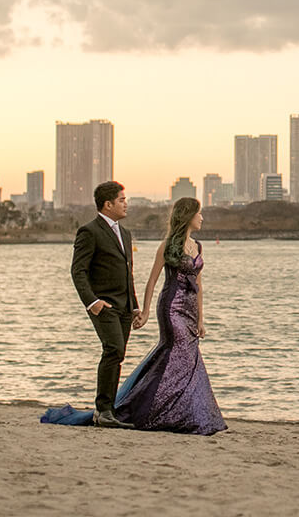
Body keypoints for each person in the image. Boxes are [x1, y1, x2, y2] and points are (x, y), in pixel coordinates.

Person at [112, 197, 227, 434]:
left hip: (190, 309)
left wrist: (201, 320)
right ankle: (152, 410)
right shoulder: (166, 246)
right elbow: (152, 280)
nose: (202, 218)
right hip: (171, 307)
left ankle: (184, 411)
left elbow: (200, 286)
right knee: (177, 353)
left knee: (187, 358)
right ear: (188, 216)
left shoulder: (199, 246)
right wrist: (144, 312)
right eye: (199, 214)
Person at [70, 180, 140, 429]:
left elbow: (127, 272)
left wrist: (134, 306)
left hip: (124, 306)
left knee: (118, 354)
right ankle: (103, 410)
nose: (125, 204)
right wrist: (92, 302)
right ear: (108, 204)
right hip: (104, 304)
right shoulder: (89, 231)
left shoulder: (126, 233)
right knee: (113, 349)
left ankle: (108, 409)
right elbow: (78, 271)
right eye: (121, 200)